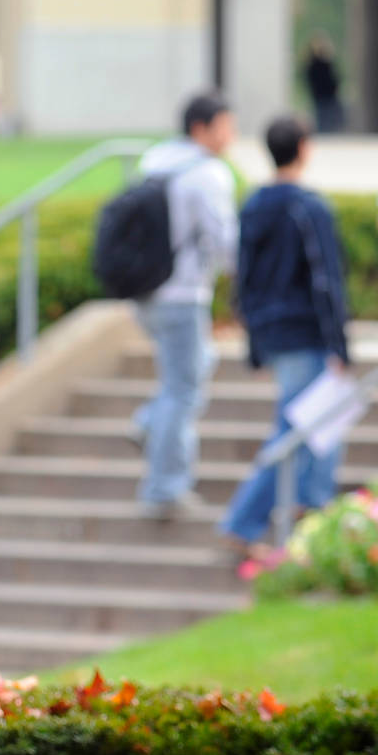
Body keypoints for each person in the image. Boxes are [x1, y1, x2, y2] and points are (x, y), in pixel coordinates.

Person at [219, 115, 352, 555]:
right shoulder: (307, 207)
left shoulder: (255, 204)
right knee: (296, 432)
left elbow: (245, 281)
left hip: (273, 332)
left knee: (315, 426)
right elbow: (324, 279)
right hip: (303, 332)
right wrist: (339, 343)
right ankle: (243, 523)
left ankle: (313, 511)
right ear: (304, 148)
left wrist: (255, 346)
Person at [134, 92, 238, 519]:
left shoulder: (154, 161)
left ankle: (148, 423)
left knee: (189, 372)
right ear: (201, 128)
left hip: (144, 292)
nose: (231, 136)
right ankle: (164, 488)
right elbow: (226, 244)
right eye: (225, 126)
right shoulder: (208, 174)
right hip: (183, 295)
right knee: (184, 389)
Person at [303, 33, 344, 134]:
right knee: (324, 121)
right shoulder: (316, 65)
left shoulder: (322, 64)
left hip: (326, 96)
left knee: (329, 121)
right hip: (322, 96)